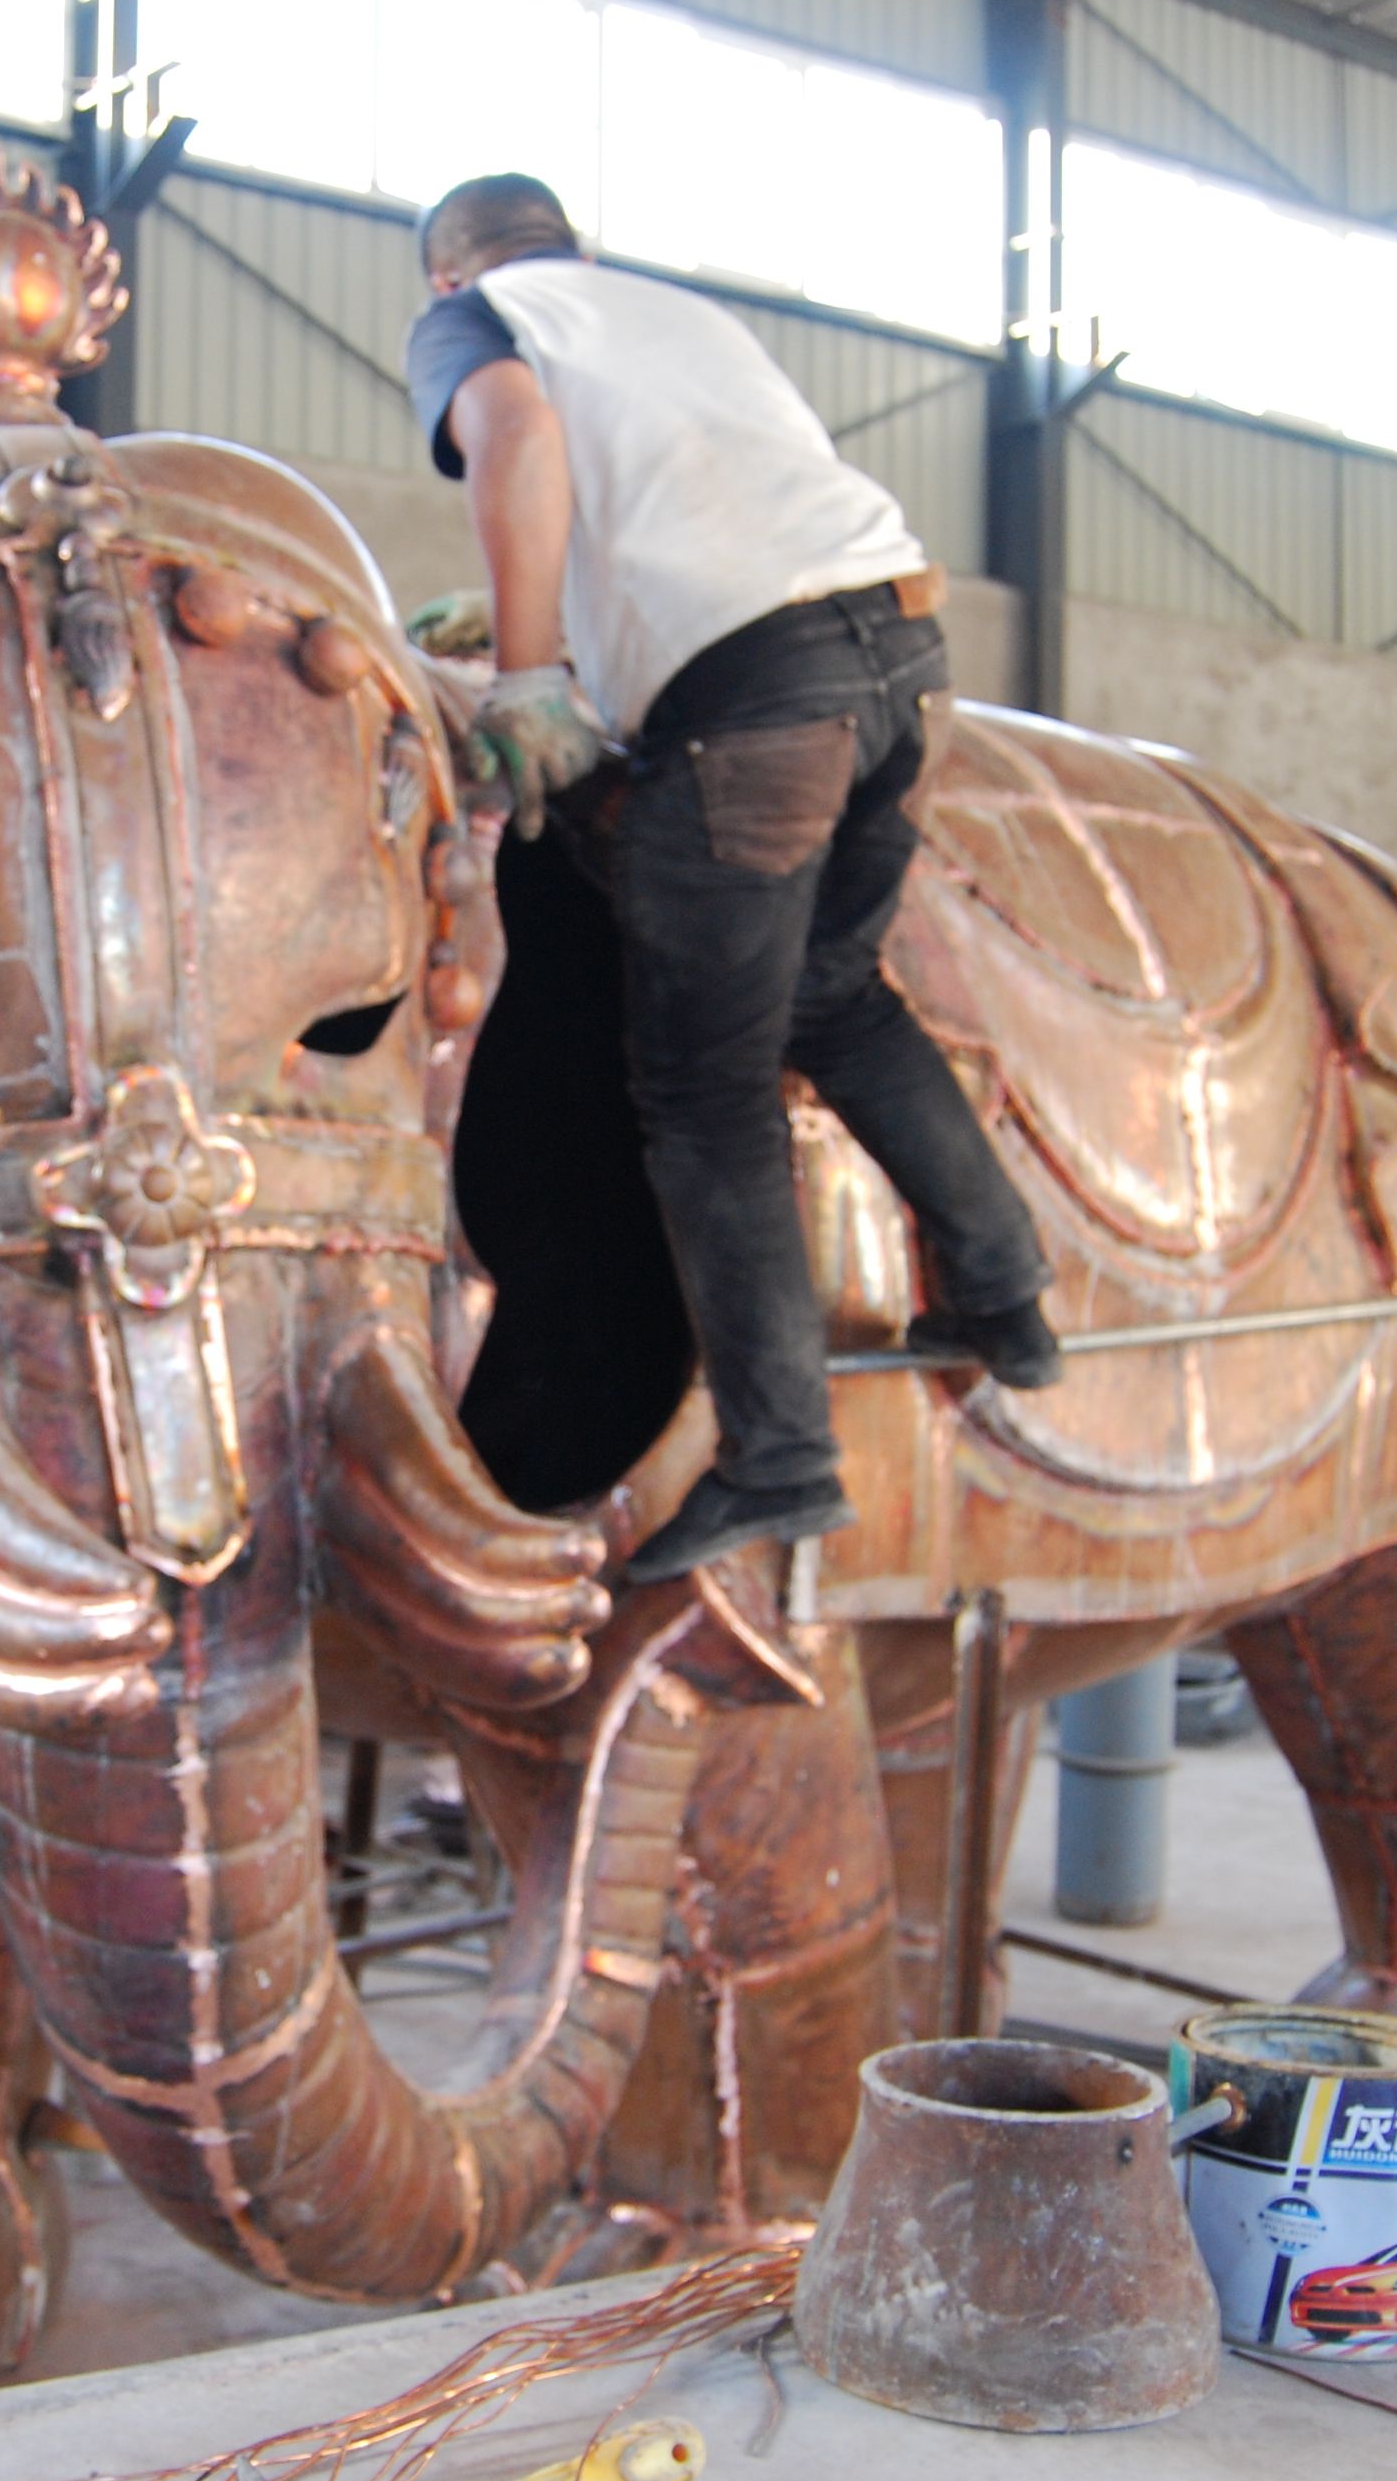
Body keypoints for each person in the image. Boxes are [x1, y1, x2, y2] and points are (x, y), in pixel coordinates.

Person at [405, 171, 1060, 1584]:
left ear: (449, 276)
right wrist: (571, 610)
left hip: (759, 703)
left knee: (705, 1092)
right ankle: (1007, 1296)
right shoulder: (670, 315)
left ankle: (779, 1461)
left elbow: (516, 436)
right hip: (901, 654)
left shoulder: (478, 319)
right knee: (835, 994)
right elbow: (709, 514)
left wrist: (526, 669)